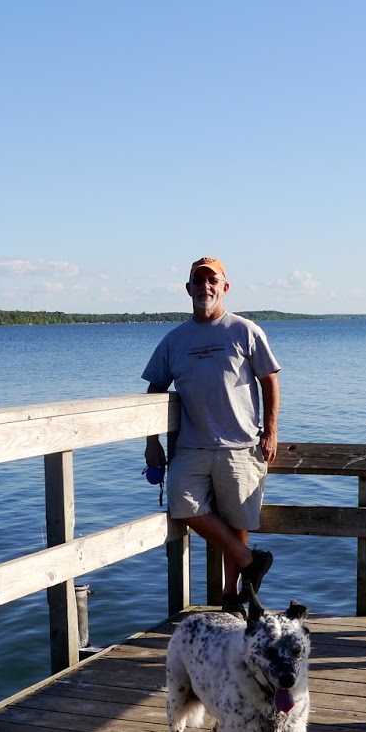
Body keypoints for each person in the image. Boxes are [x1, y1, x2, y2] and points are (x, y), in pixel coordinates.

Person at [143, 256, 280, 610]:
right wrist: (151, 442)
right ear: (188, 288)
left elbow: (270, 380)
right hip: (192, 445)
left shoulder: (245, 330)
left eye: (212, 280)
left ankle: (232, 597)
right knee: (182, 504)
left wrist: (271, 431)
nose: (205, 287)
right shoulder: (175, 340)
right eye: (198, 281)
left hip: (241, 445)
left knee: (237, 521)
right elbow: (155, 390)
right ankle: (250, 560)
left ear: (224, 287)